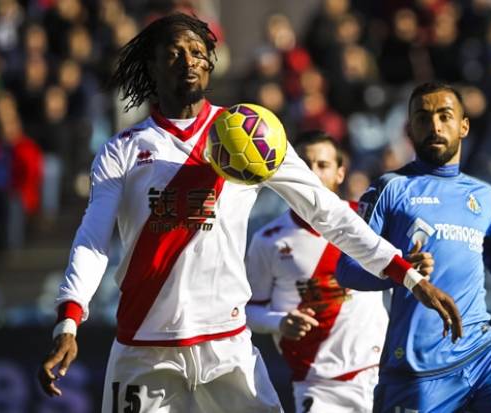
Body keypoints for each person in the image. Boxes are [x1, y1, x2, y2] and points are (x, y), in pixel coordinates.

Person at [37, 14, 461, 412]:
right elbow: (92, 240)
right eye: (174, 53)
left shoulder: (251, 134)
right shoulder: (123, 150)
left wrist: (406, 274)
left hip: (226, 348)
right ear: (151, 65)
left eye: (198, 52)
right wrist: (69, 321)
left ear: (211, 64)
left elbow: (326, 210)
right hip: (144, 347)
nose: (189, 61)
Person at [337, 82, 491, 413]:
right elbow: (346, 269)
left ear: (463, 126)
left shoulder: (485, 196)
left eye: (445, 116)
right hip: (417, 370)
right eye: (423, 117)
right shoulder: (389, 189)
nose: (434, 125)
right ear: (409, 128)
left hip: (482, 352)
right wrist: (401, 272)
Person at [246, 131, 435, 413]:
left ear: (340, 173)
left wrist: (418, 267)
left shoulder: (368, 222)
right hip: (316, 385)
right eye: (304, 165)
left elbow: (404, 269)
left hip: (378, 373)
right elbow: (247, 312)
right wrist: (280, 321)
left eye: (322, 165)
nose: (312, 173)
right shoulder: (267, 240)